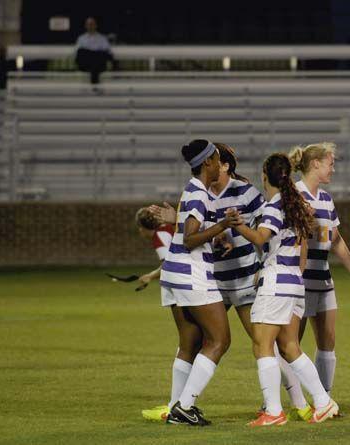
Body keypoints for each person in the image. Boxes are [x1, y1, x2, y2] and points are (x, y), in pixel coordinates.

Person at [144, 143, 312, 422]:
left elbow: (270, 229)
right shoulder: (202, 191)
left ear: (224, 166)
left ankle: (299, 401)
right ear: (210, 163)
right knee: (201, 341)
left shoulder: (244, 192)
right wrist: (201, 226)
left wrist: (251, 254)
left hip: (243, 278)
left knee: (265, 342)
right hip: (208, 279)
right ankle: (177, 405)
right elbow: (195, 230)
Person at [231, 153, 339, 427]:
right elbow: (302, 250)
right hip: (294, 283)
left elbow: (260, 237)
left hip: (277, 281)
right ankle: (324, 403)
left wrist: (238, 224)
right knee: (290, 346)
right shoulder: (296, 204)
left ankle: (274, 411)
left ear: (265, 175)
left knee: (262, 345)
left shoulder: (274, 204)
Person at [160, 139, 241, 426]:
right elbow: (189, 238)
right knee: (220, 340)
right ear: (208, 163)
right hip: (192, 275)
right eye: (218, 159)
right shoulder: (200, 193)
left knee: (189, 343)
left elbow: (190, 230)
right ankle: (185, 405)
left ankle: (174, 407)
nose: (221, 165)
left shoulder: (193, 189)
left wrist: (216, 236)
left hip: (173, 273)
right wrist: (221, 227)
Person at [288, 142, 350, 400]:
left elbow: (336, 239)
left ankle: (325, 399)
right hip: (298, 280)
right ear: (315, 164)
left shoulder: (326, 200)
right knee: (289, 344)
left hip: (323, 279)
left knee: (328, 342)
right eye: (330, 163)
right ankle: (294, 400)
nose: (333, 169)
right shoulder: (293, 194)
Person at [134, 207, 174, 291]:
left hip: (180, 278)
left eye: (139, 226)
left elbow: (169, 265)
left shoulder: (159, 237)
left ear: (143, 227)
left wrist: (150, 276)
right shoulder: (167, 227)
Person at [75, 17, 114, 85]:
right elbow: (78, 53)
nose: (90, 26)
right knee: (84, 53)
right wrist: (94, 53)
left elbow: (108, 52)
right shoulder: (81, 38)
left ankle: (94, 86)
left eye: (92, 24)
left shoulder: (102, 38)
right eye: (88, 24)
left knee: (97, 58)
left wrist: (93, 53)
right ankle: (95, 86)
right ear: (85, 26)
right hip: (87, 63)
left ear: (96, 25)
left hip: (98, 63)